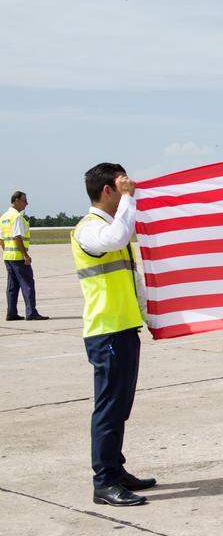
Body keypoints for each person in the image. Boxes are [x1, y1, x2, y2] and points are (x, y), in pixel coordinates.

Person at [73, 163, 155, 506]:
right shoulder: (89, 229)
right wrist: (129, 200)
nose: (128, 188)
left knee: (120, 406)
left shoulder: (109, 224)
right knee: (108, 408)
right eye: (121, 184)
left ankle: (116, 470)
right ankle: (104, 481)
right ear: (107, 190)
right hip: (106, 332)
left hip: (122, 328)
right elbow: (118, 237)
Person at [3, 191, 47, 321]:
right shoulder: (17, 217)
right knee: (28, 284)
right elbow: (17, 237)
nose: (26, 204)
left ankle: (11, 313)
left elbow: (1, 239)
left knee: (12, 286)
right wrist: (25, 255)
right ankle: (31, 312)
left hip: (8, 257)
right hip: (18, 258)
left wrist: (7, 252)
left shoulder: (4, 217)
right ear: (16, 200)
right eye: (24, 201)